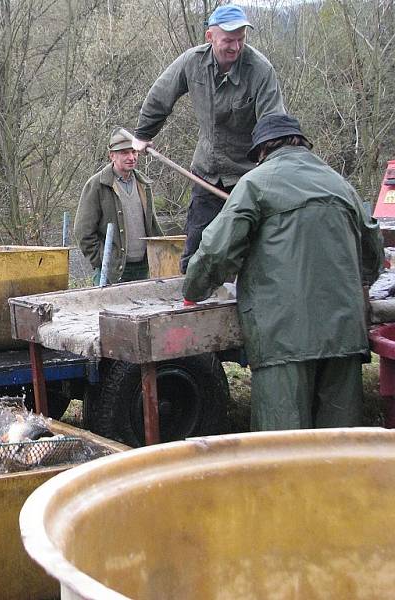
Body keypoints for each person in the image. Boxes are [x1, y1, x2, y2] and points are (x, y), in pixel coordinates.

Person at [182, 113, 383, 431]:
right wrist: (362, 284)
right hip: (345, 333)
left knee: (281, 446)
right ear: (301, 143)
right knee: (343, 444)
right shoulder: (339, 183)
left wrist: (193, 289)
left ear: (261, 151)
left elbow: (216, 250)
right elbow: (373, 246)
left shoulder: (255, 183)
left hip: (283, 336)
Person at [132, 4, 284, 273]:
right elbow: (160, 96)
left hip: (247, 178)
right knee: (196, 251)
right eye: (228, 40)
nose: (235, 47)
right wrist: (143, 134)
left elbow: (273, 125)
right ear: (210, 38)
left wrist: (271, 169)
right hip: (206, 172)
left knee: (254, 252)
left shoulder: (260, 70)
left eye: (240, 39)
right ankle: (192, 301)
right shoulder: (192, 62)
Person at [74, 127, 162, 284]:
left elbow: (153, 225)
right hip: (111, 272)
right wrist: (104, 261)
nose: (131, 157)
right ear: (112, 156)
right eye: (124, 153)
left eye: (134, 152)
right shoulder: (97, 185)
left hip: (143, 269)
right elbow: (83, 231)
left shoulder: (144, 184)